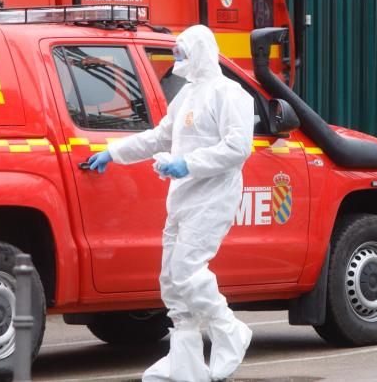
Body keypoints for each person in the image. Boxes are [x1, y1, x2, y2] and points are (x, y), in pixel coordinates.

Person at [86, 24, 254, 382]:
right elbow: (160, 137)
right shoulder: (186, 96)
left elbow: (238, 148)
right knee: (171, 280)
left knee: (188, 271)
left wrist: (188, 164)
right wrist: (114, 153)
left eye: (181, 52)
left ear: (199, 52)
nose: (176, 59)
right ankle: (185, 362)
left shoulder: (231, 94)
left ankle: (230, 332)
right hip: (181, 198)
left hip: (213, 196)